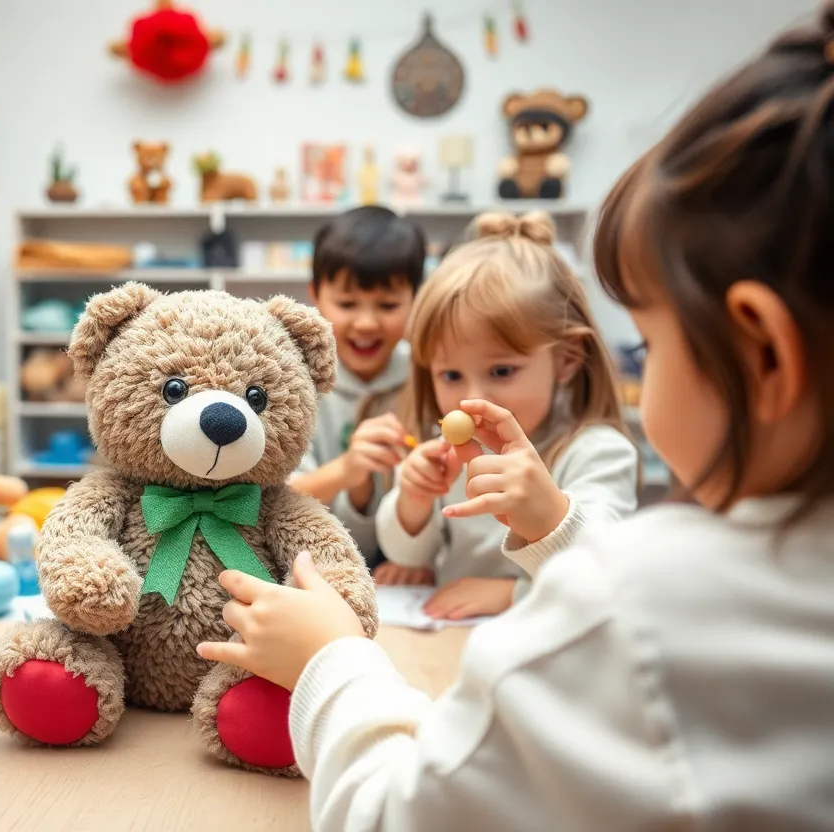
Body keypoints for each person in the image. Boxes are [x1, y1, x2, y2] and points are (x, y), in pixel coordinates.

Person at [198, 3, 834, 827]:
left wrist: (331, 660)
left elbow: (400, 812)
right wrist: (413, 498)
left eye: (649, 337)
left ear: (766, 356)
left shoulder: (635, 583)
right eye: (452, 370)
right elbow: (404, 546)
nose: (470, 388)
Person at [372, 211, 639, 619]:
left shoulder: (596, 451)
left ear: (567, 360)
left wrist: (514, 592)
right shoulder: (448, 450)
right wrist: (413, 501)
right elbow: (409, 555)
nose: (472, 399)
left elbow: (606, 574)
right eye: (451, 374)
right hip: (455, 642)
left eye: (501, 371)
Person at [289, 206, 426, 571]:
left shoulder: (429, 377)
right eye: (347, 304)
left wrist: (415, 555)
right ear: (315, 294)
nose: (366, 323)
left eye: (388, 304)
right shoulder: (295, 382)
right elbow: (275, 499)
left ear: (417, 297)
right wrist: (347, 470)